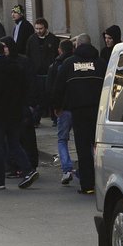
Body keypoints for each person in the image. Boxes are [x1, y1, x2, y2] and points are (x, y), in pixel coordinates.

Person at [51, 34, 106, 194]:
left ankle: (88, 185)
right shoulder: (101, 63)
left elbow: (59, 87)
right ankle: (103, 182)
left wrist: (57, 106)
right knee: (98, 147)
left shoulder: (69, 64)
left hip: (79, 111)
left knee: (83, 148)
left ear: (77, 46)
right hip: (99, 111)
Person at [0, 41, 37, 190]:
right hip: (15, 112)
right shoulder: (16, 68)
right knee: (14, 143)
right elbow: (24, 89)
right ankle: (29, 170)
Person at [26, 18, 60, 125]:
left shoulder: (53, 39)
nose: (38, 31)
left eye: (40, 28)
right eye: (36, 29)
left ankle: (55, 118)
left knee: (51, 95)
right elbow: (28, 54)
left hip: (49, 72)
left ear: (45, 28)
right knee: (39, 97)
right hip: (37, 73)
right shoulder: (32, 39)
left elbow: (56, 55)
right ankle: (36, 120)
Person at [51, 39, 75, 186]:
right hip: (78, 107)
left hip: (64, 108)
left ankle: (66, 169)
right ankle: (90, 167)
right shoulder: (76, 62)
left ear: (60, 50)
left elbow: (55, 89)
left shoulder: (57, 65)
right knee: (84, 139)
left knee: (62, 139)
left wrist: (55, 106)